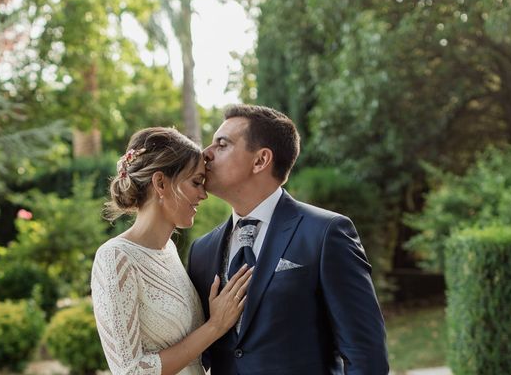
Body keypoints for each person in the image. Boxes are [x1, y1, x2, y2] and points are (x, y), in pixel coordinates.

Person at [187, 105, 389, 374]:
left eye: (221, 145)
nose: (205, 155)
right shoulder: (201, 251)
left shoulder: (326, 233)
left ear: (260, 160)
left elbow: (365, 354)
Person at [90, 127, 253, 375]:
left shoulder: (169, 250)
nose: (203, 194)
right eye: (196, 182)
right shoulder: (115, 258)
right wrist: (215, 325)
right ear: (160, 183)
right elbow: (130, 371)